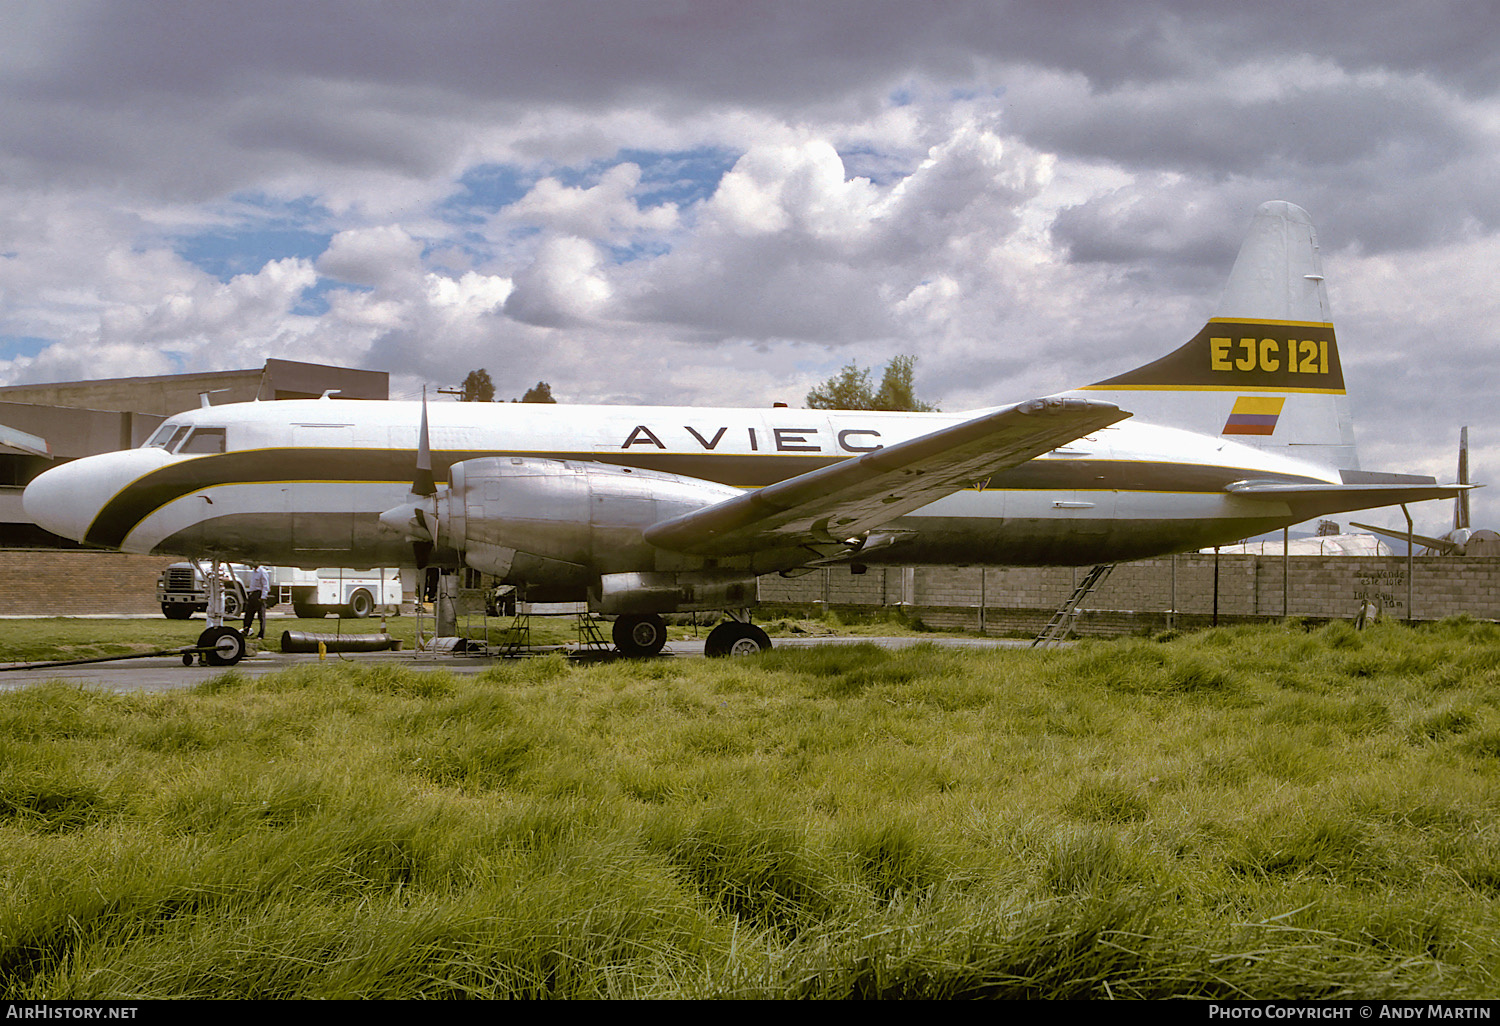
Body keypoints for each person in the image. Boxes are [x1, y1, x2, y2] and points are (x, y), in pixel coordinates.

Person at [242, 563, 272, 639]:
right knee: (248, 614)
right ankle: (246, 630)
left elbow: (265, 585)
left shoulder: (262, 572)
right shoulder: (254, 572)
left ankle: (261, 634)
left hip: (259, 594)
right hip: (253, 594)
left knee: (261, 616)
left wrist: (263, 596)